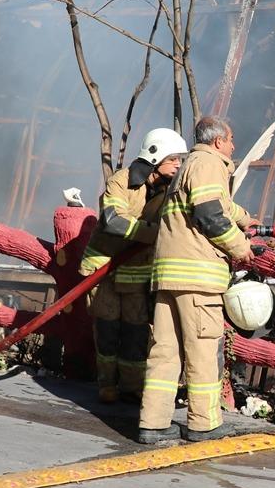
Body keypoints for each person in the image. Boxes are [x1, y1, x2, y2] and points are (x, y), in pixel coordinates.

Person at [138, 116, 256, 444]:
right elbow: (209, 215)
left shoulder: (191, 165)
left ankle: (153, 423)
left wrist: (246, 219)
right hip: (197, 278)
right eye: (231, 139)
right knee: (204, 351)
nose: (234, 146)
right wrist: (240, 247)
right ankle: (204, 423)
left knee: (165, 352)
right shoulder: (210, 164)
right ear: (218, 141)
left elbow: (218, 205)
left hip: (169, 276)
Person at [79, 128, 189, 404]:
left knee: (135, 333)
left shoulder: (169, 192)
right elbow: (113, 221)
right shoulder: (122, 181)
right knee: (107, 331)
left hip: (135, 274)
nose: (178, 165)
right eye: (174, 159)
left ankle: (132, 387)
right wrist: (154, 233)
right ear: (155, 157)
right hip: (103, 270)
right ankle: (107, 385)